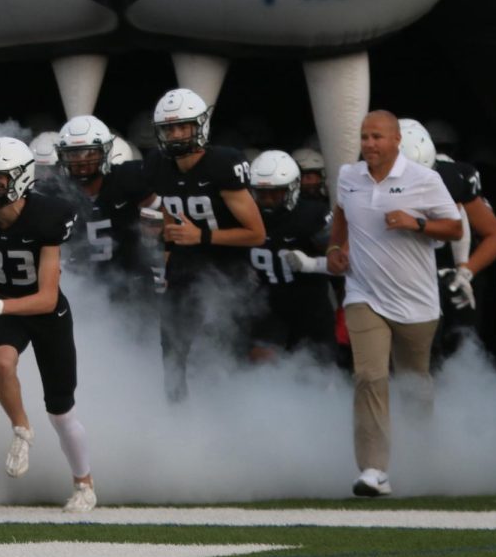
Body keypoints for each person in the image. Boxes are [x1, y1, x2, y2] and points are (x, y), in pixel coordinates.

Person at [0, 137, 97, 513]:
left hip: (45, 314)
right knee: (0, 363)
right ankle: (21, 430)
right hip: (1, 306)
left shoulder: (47, 216)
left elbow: (48, 297)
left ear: (21, 178)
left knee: (61, 411)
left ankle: (84, 484)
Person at [328, 111, 462, 497]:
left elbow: (454, 228)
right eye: (364, 137)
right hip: (363, 294)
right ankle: (373, 469)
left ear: (396, 141)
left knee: (414, 383)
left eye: (377, 137)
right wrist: (336, 248)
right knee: (370, 376)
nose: (369, 144)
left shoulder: (425, 179)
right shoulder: (348, 176)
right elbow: (341, 214)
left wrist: (416, 223)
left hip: (417, 302)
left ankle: (423, 454)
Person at [143, 89, 266, 402]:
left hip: (227, 272)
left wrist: (203, 237)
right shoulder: (157, 166)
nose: (176, 134)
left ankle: (232, 422)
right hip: (184, 271)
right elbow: (172, 225)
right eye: (169, 128)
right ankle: (180, 425)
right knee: (171, 352)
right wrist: (166, 256)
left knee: (221, 354)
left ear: (200, 126)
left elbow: (256, 233)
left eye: (183, 126)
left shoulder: (222, 164)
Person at [397, 120, 496, 362]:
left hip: (450, 280)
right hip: (404, 283)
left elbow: (495, 236)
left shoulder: (456, 180)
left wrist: (465, 271)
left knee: (462, 351)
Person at [53, 115, 157, 306]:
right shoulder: (55, 192)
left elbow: (164, 215)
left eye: (89, 153)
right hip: (82, 287)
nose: (82, 161)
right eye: (74, 154)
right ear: (62, 156)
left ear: (105, 152)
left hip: (132, 284)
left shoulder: (127, 178)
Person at [246, 150, 335, 363]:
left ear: (293, 188)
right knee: (262, 365)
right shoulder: (244, 214)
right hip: (265, 305)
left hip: (310, 305)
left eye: (275, 194)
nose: (267, 200)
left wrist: (312, 264)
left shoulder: (313, 215)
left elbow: (343, 263)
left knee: (314, 374)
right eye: (261, 193)